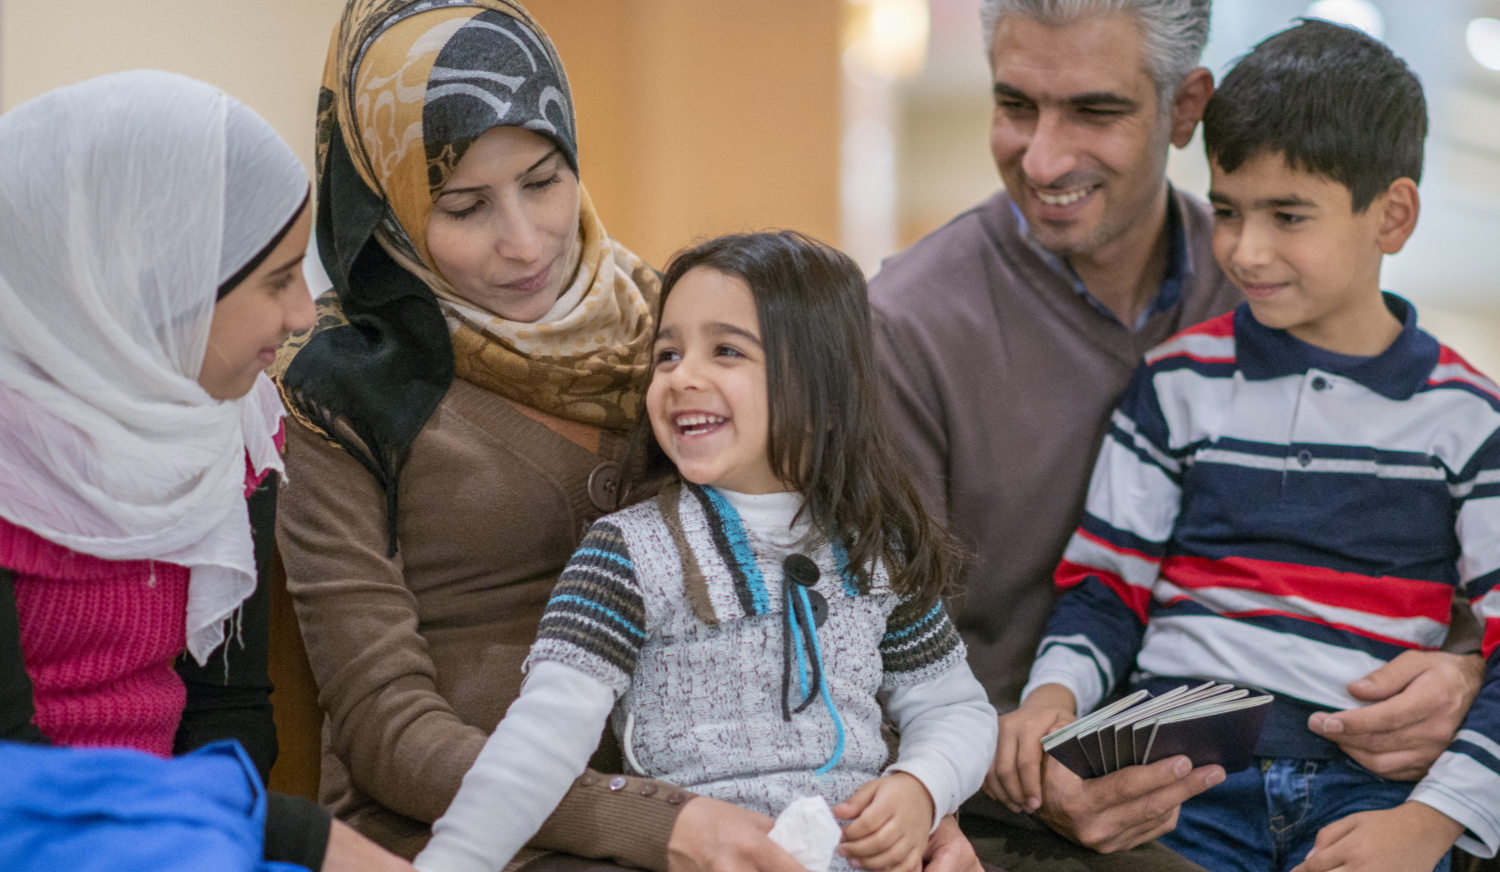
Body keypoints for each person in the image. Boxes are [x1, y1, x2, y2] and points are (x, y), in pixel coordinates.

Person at [273, 4, 985, 872]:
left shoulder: (671, 325)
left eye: (544, 181)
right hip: (474, 825)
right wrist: (653, 821)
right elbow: (388, 731)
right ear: (390, 200)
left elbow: (886, 677)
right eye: (464, 206)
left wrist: (912, 799)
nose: (527, 242)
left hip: (739, 816)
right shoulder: (339, 389)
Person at [869, 0, 1488, 866]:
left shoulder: (1291, 304)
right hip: (1024, 793)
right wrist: (1030, 751)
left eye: (1095, 109)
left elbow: (1452, 591)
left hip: (1338, 780)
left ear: (1186, 108)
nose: (1044, 157)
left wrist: (1463, 679)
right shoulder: (902, 329)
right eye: (1016, 105)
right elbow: (856, 659)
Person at [413, 231, 997, 872]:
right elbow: (540, 740)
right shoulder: (629, 552)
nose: (681, 376)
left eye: (725, 351)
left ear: (826, 395)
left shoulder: (874, 550)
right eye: (667, 354)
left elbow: (956, 710)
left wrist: (922, 787)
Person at [0, 70, 412, 871]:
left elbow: (230, 711)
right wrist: (310, 842)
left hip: (200, 838)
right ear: (163, 283)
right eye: (277, 279)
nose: (302, 315)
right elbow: (14, 773)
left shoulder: (233, 423)